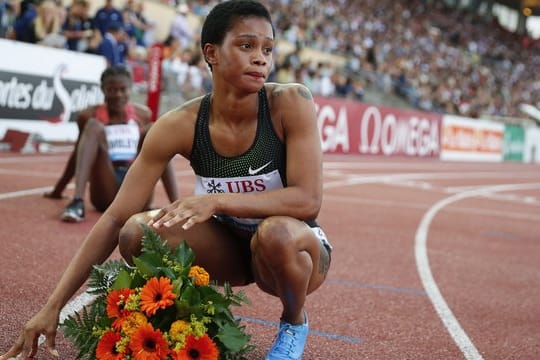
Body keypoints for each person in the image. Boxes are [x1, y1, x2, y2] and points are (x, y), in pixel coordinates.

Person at [0, 1, 332, 359]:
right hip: (229, 248)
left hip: (294, 249)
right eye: (247, 45)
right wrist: (52, 305)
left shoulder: (290, 103)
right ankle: (188, 317)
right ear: (211, 53)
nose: (261, 58)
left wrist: (216, 200)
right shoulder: (180, 124)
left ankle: (294, 323)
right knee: (137, 232)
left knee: (275, 234)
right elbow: (114, 217)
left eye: (268, 49)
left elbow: (307, 200)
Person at [44, 64, 178, 222]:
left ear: (130, 89)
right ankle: (77, 203)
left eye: (123, 89)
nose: (118, 95)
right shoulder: (88, 116)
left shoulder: (143, 114)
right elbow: (78, 156)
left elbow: (157, 155)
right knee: (94, 126)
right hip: (105, 186)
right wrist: (58, 190)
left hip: (135, 182)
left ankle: (176, 207)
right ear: (103, 90)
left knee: (153, 130)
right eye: (112, 90)